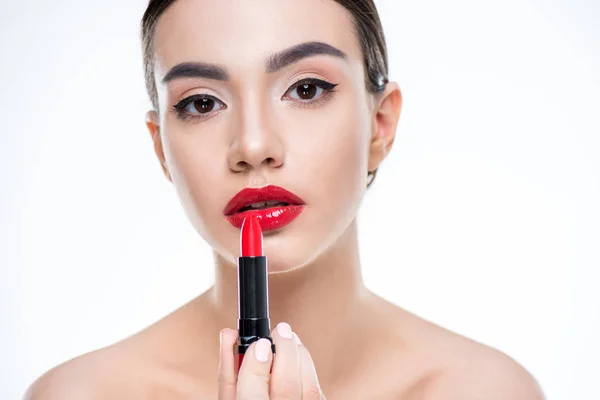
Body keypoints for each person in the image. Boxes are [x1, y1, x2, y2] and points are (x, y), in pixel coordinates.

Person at [25, 0, 545, 398]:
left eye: (308, 89)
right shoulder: (81, 394)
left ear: (380, 125)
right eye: (202, 102)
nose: (253, 146)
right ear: (162, 147)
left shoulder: (486, 389)